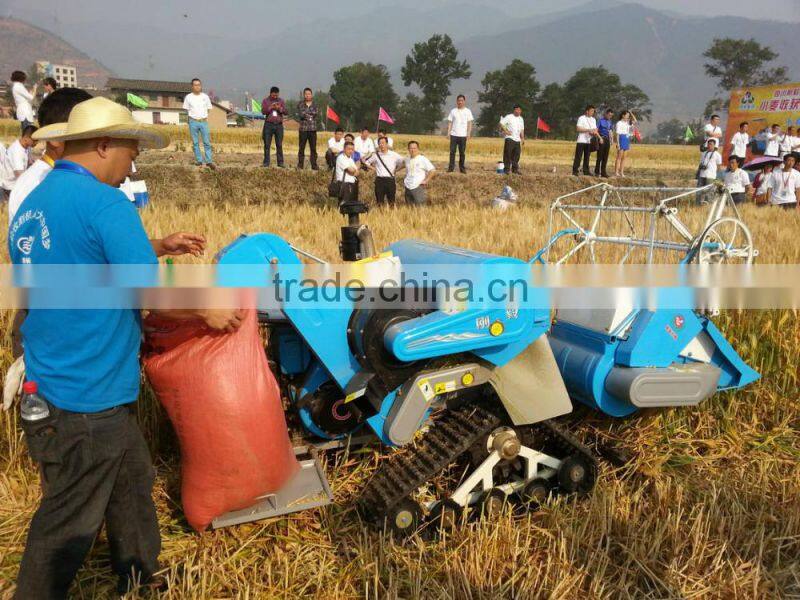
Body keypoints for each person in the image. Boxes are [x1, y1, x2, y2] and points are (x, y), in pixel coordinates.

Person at [9, 96, 241, 598]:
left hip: (49, 382)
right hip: (87, 393)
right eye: (130, 151)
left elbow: (78, 258)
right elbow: (150, 294)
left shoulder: (34, 205)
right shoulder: (106, 203)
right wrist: (205, 310)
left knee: (131, 477)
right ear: (103, 143)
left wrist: (156, 245)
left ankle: (138, 575)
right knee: (67, 523)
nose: (131, 165)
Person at [9, 87, 93, 221]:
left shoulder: (60, 178)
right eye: (89, 135)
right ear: (56, 138)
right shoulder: (38, 186)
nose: (97, 145)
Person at [182, 78, 215, 169]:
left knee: (207, 142)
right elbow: (186, 110)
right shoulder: (188, 97)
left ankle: (209, 161)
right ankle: (199, 160)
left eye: (199, 85)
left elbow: (208, 109)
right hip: (193, 122)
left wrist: (203, 116)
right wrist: (190, 120)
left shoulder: (205, 97)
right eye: (195, 85)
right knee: (195, 143)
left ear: (201, 86)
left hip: (203, 122)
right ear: (192, 86)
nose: (197, 87)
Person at [1, 125, 37, 199]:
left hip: (17, 183)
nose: (37, 142)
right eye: (35, 140)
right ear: (26, 138)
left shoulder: (27, 147)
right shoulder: (16, 151)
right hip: (11, 187)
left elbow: (30, 161)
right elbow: (20, 175)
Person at [366, 136, 404, 205]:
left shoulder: (394, 154)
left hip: (390, 180)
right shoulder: (376, 155)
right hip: (379, 180)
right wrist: (374, 169)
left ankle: (391, 215)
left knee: (391, 201)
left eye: (383, 143)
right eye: (380, 143)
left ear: (387, 144)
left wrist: (396, 170)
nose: (381, 145)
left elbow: (403, 162)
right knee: (379, 201)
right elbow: (367, 162)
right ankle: (381, 215)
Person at [447, 94, 474, 173]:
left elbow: (470, 123)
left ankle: (462, 168)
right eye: (459, 100)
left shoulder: (468, 111)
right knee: (452, 152)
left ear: (464, 101)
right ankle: (451, 168)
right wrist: (448, 132)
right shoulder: (453, 111)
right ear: (456, 101)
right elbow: (450, 122)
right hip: (454, 135)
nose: (460, 102)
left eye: (462, 100)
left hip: (463, 135)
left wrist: (468, 133)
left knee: (462, 153)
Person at [261, 86, 287, 167]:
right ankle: (266, 162)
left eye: (277, 95)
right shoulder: (265, 101)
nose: (275, 97)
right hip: (268, 124)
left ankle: (280, 162)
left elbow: (286, 111)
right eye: (274, 95)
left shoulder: (281, 101)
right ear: (270, 93)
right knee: (267, 144)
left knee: (279, 144)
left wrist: (280, 108)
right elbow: (263, 111)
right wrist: (271, 107)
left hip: (278, 125)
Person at [403, 141, 435, 205]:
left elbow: (432, 170)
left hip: (418, 186)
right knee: (409, 208)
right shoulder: (407, 159)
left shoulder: (422, 159)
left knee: (420, 208)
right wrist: (395, 170)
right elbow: (403, 165)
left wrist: (426, 181)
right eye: (411, 148)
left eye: (414, 148)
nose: (412, 150)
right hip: (407, 187)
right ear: (408, 149)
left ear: (418, 149)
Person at [573, 105, 600, 176]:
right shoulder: (581, 118)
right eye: (591, 111)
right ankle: (575, 171)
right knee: (578, 156)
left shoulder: (593, 119)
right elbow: (578, 129)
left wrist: (595, 133)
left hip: (589, 141)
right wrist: (588, 130)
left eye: (593, 111)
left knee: (587, 157)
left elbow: (595, 129)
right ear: (587, 111)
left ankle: (586, 171)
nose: (592, 113)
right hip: (581, 140)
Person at [296, 87, 319, 170]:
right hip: (303, 129)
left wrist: (307, 114)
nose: (307, 95)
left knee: (313, 148)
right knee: (301, 148)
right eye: (306, 94)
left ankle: (314, 164)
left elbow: (315, 113)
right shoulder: (300, 104)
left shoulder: (315, 104)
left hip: (312, 129)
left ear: (311, 95)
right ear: (304, 95)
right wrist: (309, 114)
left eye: (309, 94)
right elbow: (301, 114)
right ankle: (300, 164)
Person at [500, 105, 524, 175]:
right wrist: (506, 131)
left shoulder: (521, 119)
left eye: (519, 110)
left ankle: (515, 169)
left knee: (517, 155)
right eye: (517, 110)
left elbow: (522, 129)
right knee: (508, 154)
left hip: (517, 139)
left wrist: (522, 138)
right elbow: (501, 123)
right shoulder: (509, 117)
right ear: (514, 110)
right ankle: (506, 169)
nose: (518, 111)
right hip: (510, 138)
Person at [696, 139, 722, 203]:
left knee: (709, 192)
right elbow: (700, 164)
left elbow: (719, 167)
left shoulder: (717, 154)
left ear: (714, 145)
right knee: (698, 191)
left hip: (711, 176)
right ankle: (697, 204)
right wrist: (698, 172)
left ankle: (708, 205)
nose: (709, 145)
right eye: (708, 144)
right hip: (702, 175)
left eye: (711, 144)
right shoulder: (704, 153)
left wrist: (718, 177)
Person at [335, 140, 359, 204]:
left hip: (352, 185)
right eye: (348, 149)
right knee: (344, 205)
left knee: (352, 205)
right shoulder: (341, 158)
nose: (351, 151)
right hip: (344, 185)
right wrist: (352, 171)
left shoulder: (350, 159)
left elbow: (357, 173)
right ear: (344, 149)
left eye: (352, 149)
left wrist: (352, 171)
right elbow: (351, 170)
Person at [614, 110, 636, 177]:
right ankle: (616, 172)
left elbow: (635, 120)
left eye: (628, 115)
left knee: (624, 157)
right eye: (627, 115)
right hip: (621, 138)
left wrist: (631, 113)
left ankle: (621, 172)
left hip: (627, 138)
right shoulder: (619, 123)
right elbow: (617, 134)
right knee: (619, 157)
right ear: (623, 115)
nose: (628, 116)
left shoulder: (628, 123)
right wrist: (618, 143)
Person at [594, 108, 614, 178]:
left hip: (607, 140)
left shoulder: (610, 122)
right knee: (599, 156)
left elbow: (610, 131)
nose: (609, 117)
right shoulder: (600, 121)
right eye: (609, 115)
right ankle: (597, 172)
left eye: (611, 116)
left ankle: (603, 172)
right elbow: (596, 131)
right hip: (601, 138)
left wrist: (612, 140)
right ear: (606, 114)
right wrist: (600, 138)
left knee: (605, 157)